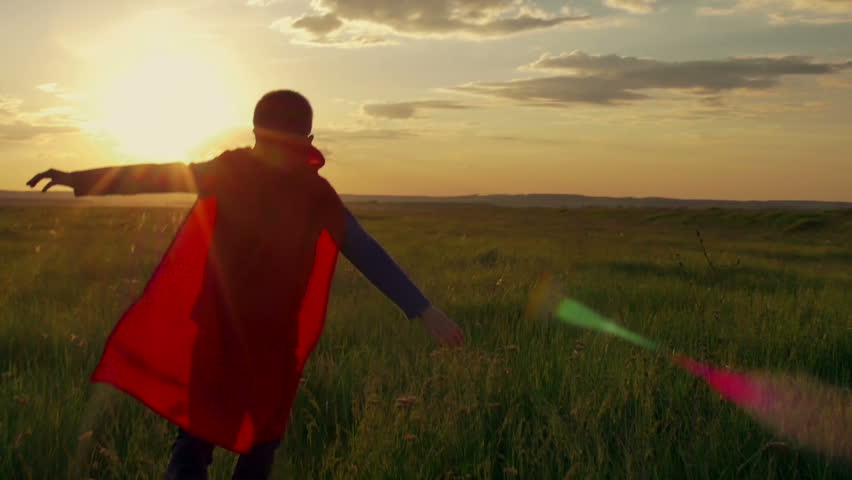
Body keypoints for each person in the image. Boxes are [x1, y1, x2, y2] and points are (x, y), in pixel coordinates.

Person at [27, 90, 464, 480]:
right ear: (309, 140)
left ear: (255, 132)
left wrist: (78, 179)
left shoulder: (233, 171)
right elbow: (365, 250)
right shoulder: (313, 193)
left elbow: (159, 175)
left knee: (199, 442)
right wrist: (425, 310)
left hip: (223, 334)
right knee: (254, 445)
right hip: (266, 341)